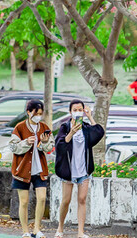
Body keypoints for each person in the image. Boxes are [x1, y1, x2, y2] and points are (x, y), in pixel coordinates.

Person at [54, 100, 105, 238]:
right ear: (70, 112)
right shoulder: (64, 127)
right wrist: (71, 133)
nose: (78, 112)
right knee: (66, 200)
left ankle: (81, 232)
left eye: (80, 109)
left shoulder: (86, 128)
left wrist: (90, 117)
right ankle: (60, 228)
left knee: (82, 199)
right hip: (68, 170)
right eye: (75, 110)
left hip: (84, 170)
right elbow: (59, 146)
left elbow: (99, 133)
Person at [9, 99, 54, 238]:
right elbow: (13, 147)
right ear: (29, 112)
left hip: (39, 169)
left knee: (41, 198)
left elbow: (49, 147)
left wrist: (44, 143)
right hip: (22, 170)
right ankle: (25, 231)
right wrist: (26, 142)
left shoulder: (44, 127)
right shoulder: (20, 127)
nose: (38, 116)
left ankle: (36, 229)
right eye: (36, 113)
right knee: (24, 201)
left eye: (41, 113)